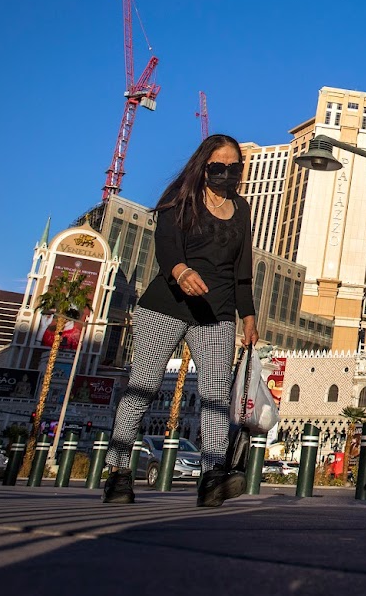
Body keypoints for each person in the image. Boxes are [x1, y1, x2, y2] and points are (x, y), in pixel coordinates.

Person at [102, 134, 257, 508]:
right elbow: (167, 246)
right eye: (218, 167)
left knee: (216, 394)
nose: (226, 174)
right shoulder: (179, 200)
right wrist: (181, 270)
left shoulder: (243, 209)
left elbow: (242, 269)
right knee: (142, 386)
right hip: (165, 306)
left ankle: (213, 475)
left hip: (216, 312)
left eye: (233, 168)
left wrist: (248, 316)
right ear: (204, 167)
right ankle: (119, 472)